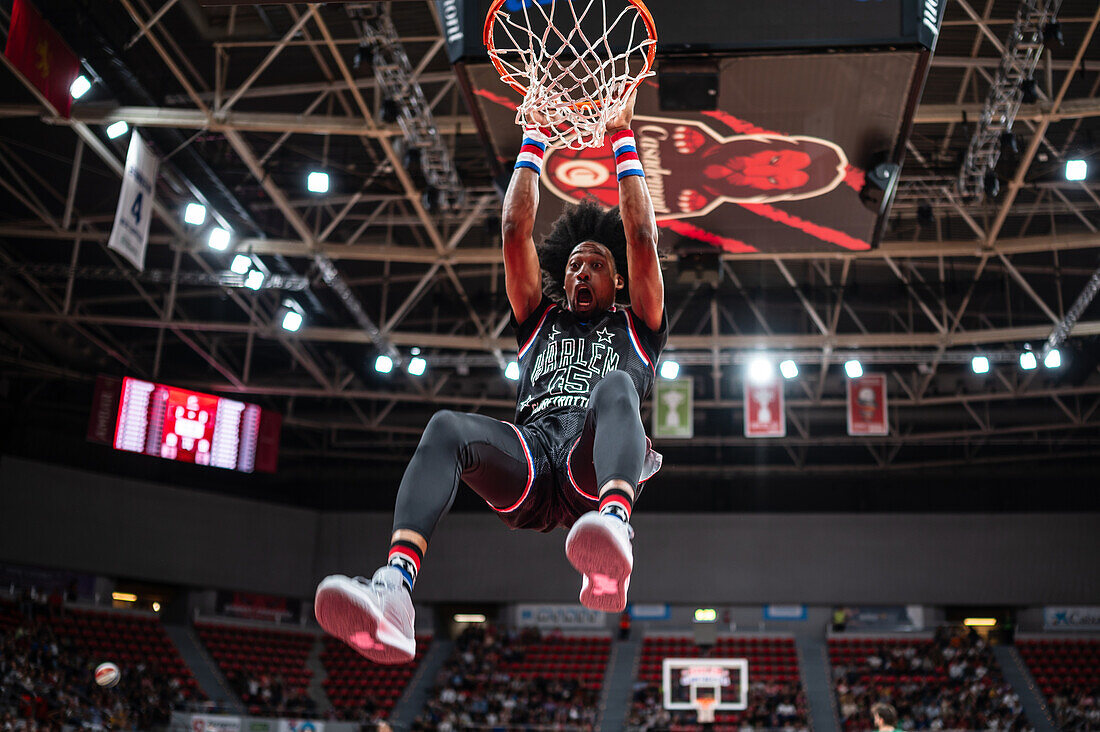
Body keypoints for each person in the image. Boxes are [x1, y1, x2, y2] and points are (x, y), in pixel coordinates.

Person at [313, 90, 666, 665]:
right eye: (574, 263)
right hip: (530, 461)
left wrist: (622, 140)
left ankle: (615, 532)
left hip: (592, 468)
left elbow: (642, 238)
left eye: (597, 264)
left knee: (614, 388)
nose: (581, 270)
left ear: (617, 282)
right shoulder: (538, 319)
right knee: (447, 426)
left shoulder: (639, 326)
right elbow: (512, 231)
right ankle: (397, 590)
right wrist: (533, 139)